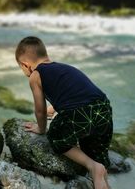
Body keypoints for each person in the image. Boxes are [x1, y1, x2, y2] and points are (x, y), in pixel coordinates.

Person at [15, 36, 113, 189]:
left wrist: (41, 129)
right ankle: (101, 173)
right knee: (93, 150)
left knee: (56, 136)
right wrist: (54, 109)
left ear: (25, 65)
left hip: (80, 114)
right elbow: (75, 93)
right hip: (103, 109)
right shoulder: (65, 68)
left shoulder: (35, 75)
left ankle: (93, 167)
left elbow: (39, 110)